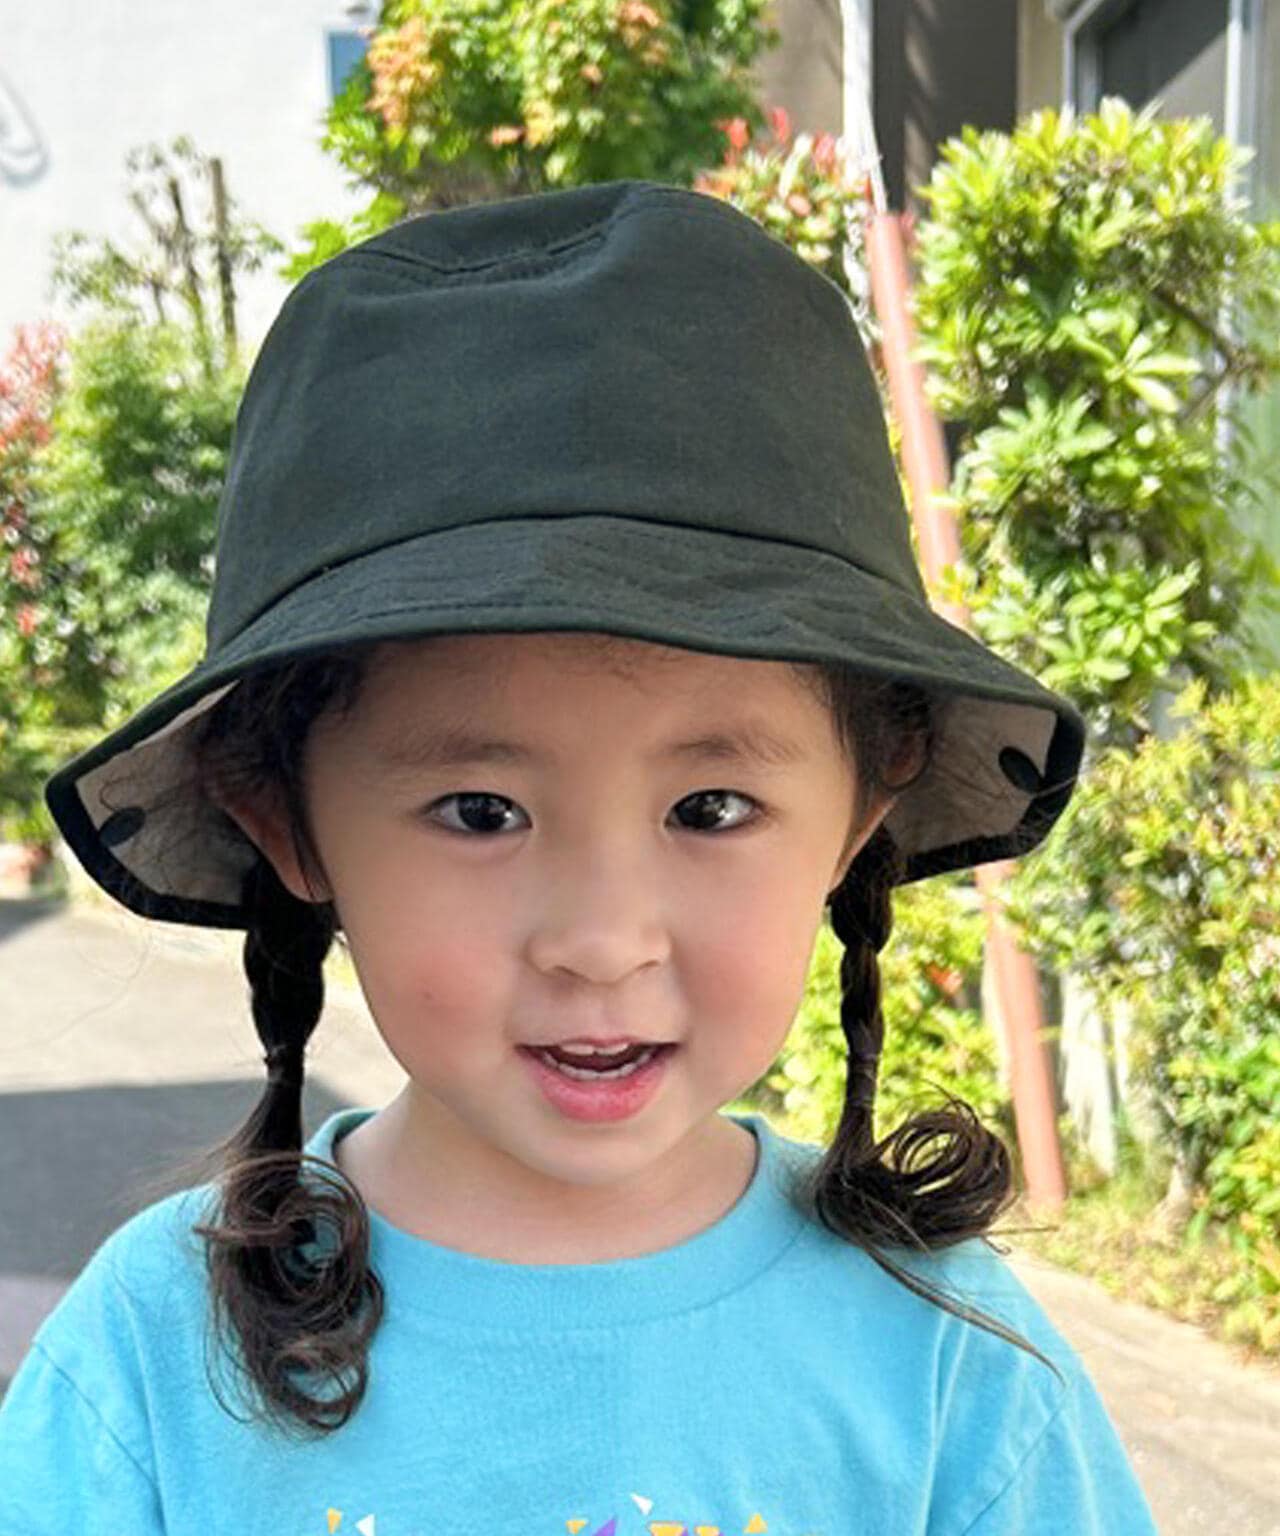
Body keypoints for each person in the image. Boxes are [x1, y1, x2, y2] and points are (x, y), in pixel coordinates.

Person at [0, 178, 1158, 1533]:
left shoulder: (951, 1367)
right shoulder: (151, 1363)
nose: (603, 943)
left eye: (711, 807)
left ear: (859, 814)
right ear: (285, 819)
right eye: (480, 811)